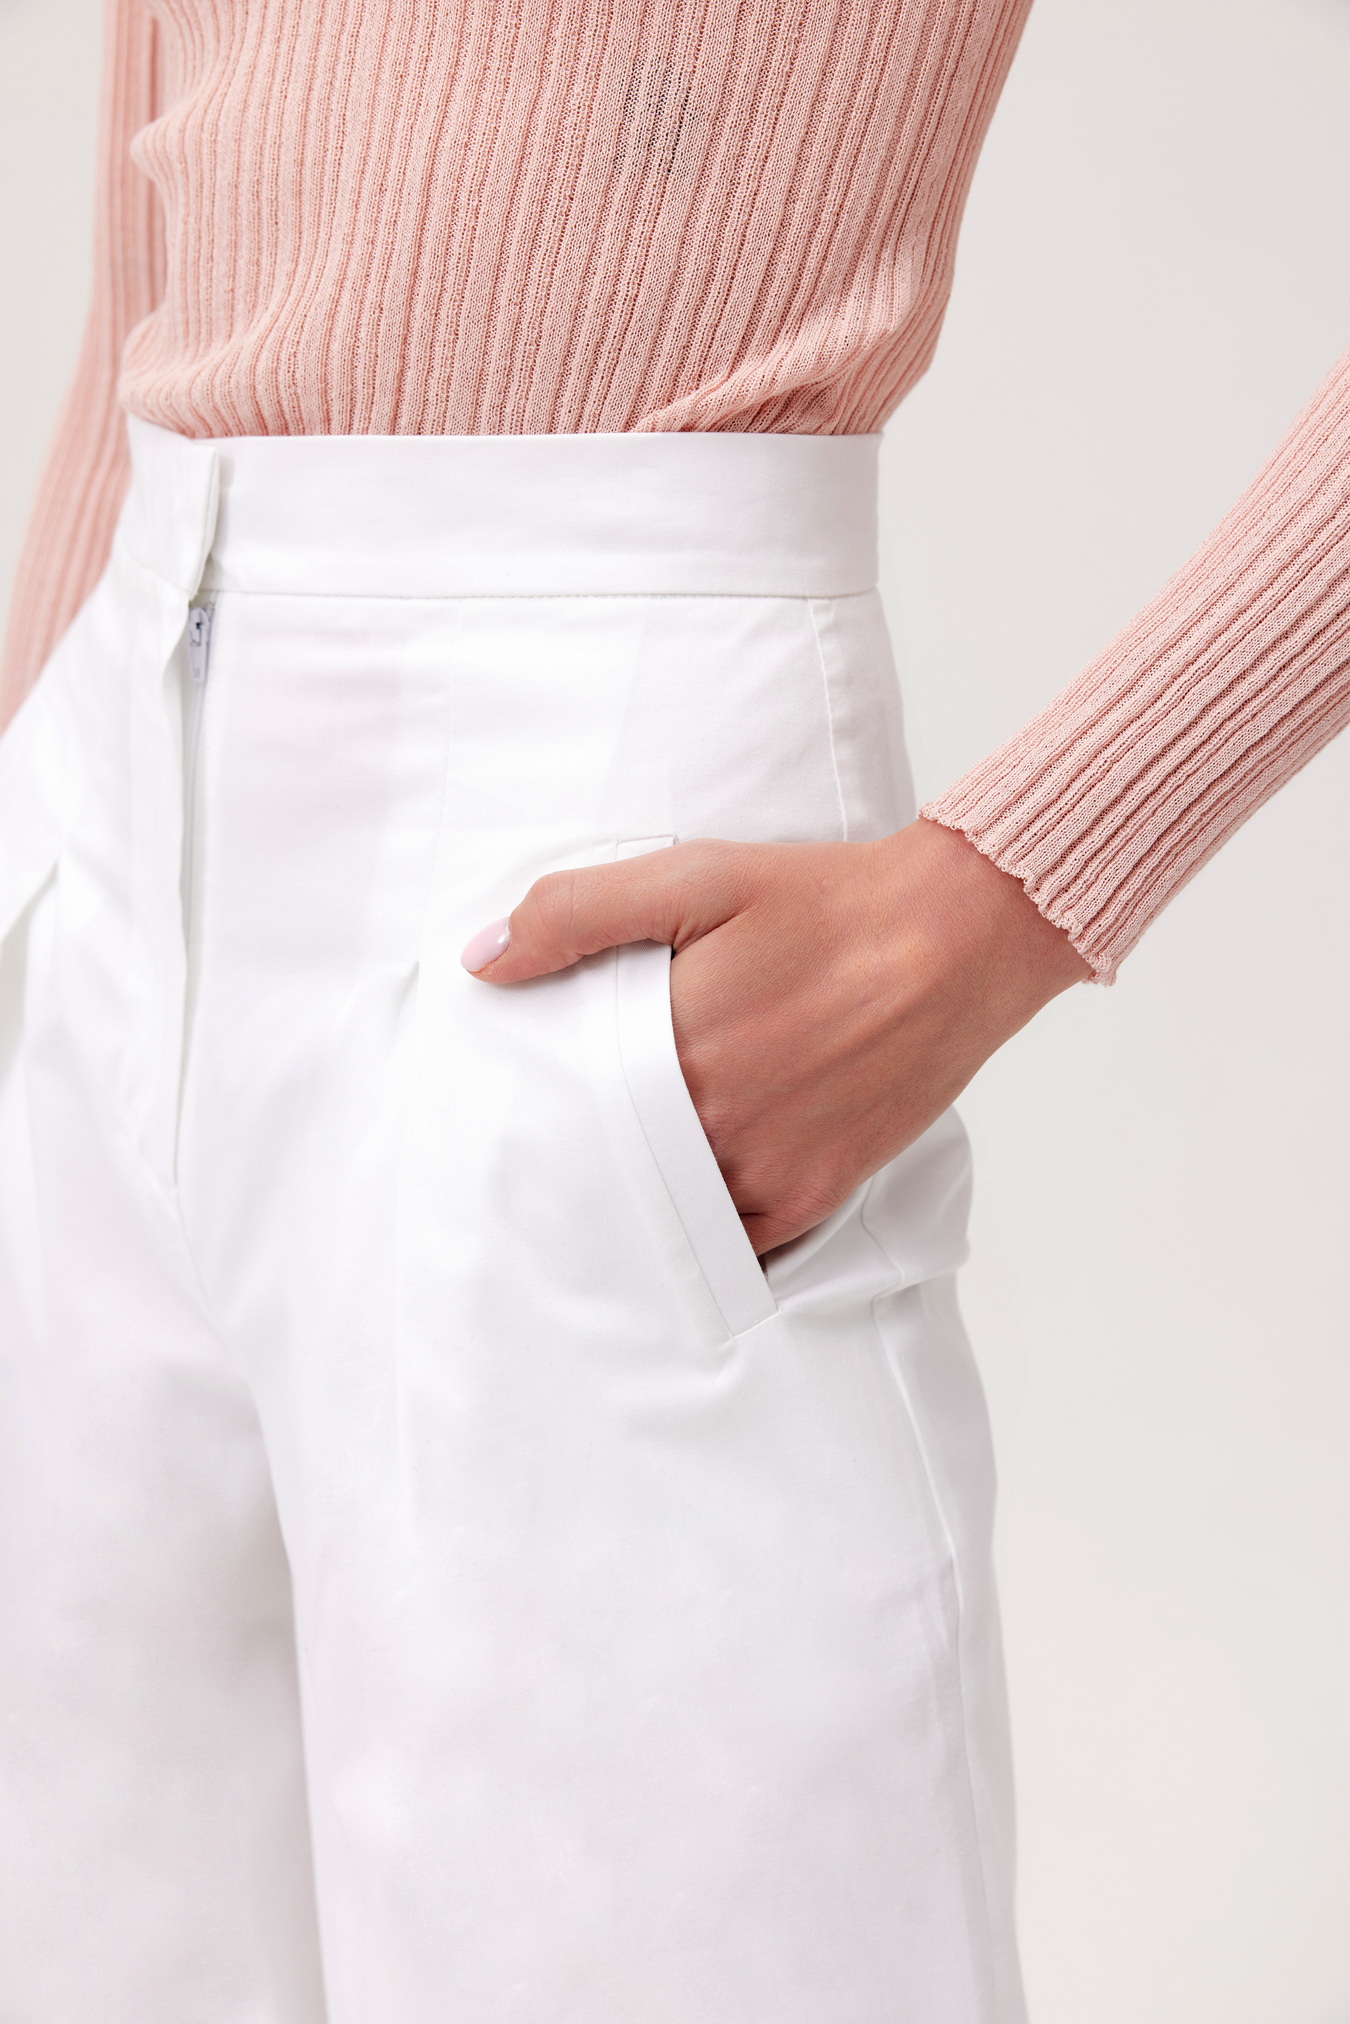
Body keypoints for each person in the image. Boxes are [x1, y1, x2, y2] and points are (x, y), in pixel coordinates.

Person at [0, 0, 1345, 2017]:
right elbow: (174, 174)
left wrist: (1014, 885)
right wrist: (40, 779)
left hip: (589, 841)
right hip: (112, 832)